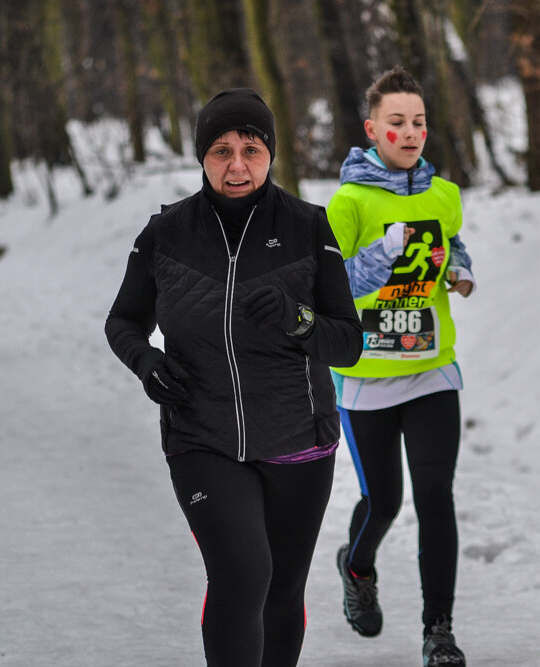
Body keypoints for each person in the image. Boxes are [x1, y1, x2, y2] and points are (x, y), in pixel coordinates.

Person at [104, 88, 362, 667]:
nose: (237, 164)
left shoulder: (308, 228)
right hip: (203, 438)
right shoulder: (165, 234)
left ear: (271, 153)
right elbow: (123, 320)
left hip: (298, 439)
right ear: (201, 157)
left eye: (251, 148)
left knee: (281, 589)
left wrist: (300, 321)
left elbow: (348, 342)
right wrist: (146, 363)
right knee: (244, 573)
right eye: (221, 150)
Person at [327, 66, 474, 667]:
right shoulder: (349, 201)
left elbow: (451, 240)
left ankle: (438, 630)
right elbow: (330, 284)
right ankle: (356, 566)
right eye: (397, 122)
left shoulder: (444, 194)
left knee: (436, 494)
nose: (410, 132)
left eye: (417, 121)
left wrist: (460, 268)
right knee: (383, 501)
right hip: (366, 378)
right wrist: (379, 255)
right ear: (372, 129)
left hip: (431, 367)